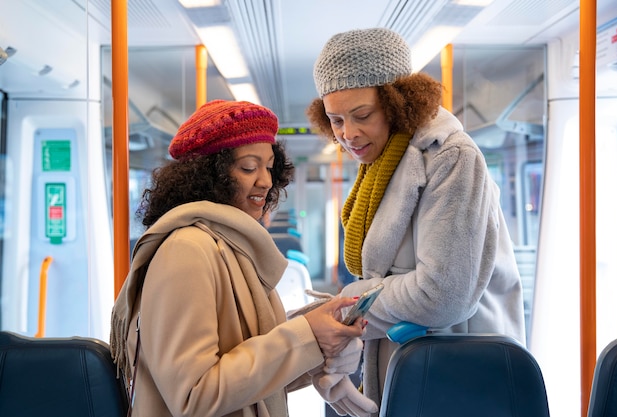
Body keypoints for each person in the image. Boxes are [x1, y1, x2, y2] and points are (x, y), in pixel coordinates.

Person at [305, 27, 526, 412]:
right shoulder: (382, 160)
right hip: (416, 366)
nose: (348, 135)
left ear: (398, 101)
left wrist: (347, 305)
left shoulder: (451, 157)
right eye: (335, 120)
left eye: (362, 115)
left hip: (462, 372)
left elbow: (441, 295)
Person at [110, 99, 377, 417]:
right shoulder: (186, 251)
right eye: (249, 167)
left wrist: (317, 347)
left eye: (268, 167)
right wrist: (304, 335)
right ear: (210, 175)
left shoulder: (232, 247)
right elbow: (194, 396)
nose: (264, 181)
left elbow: (248, 384)